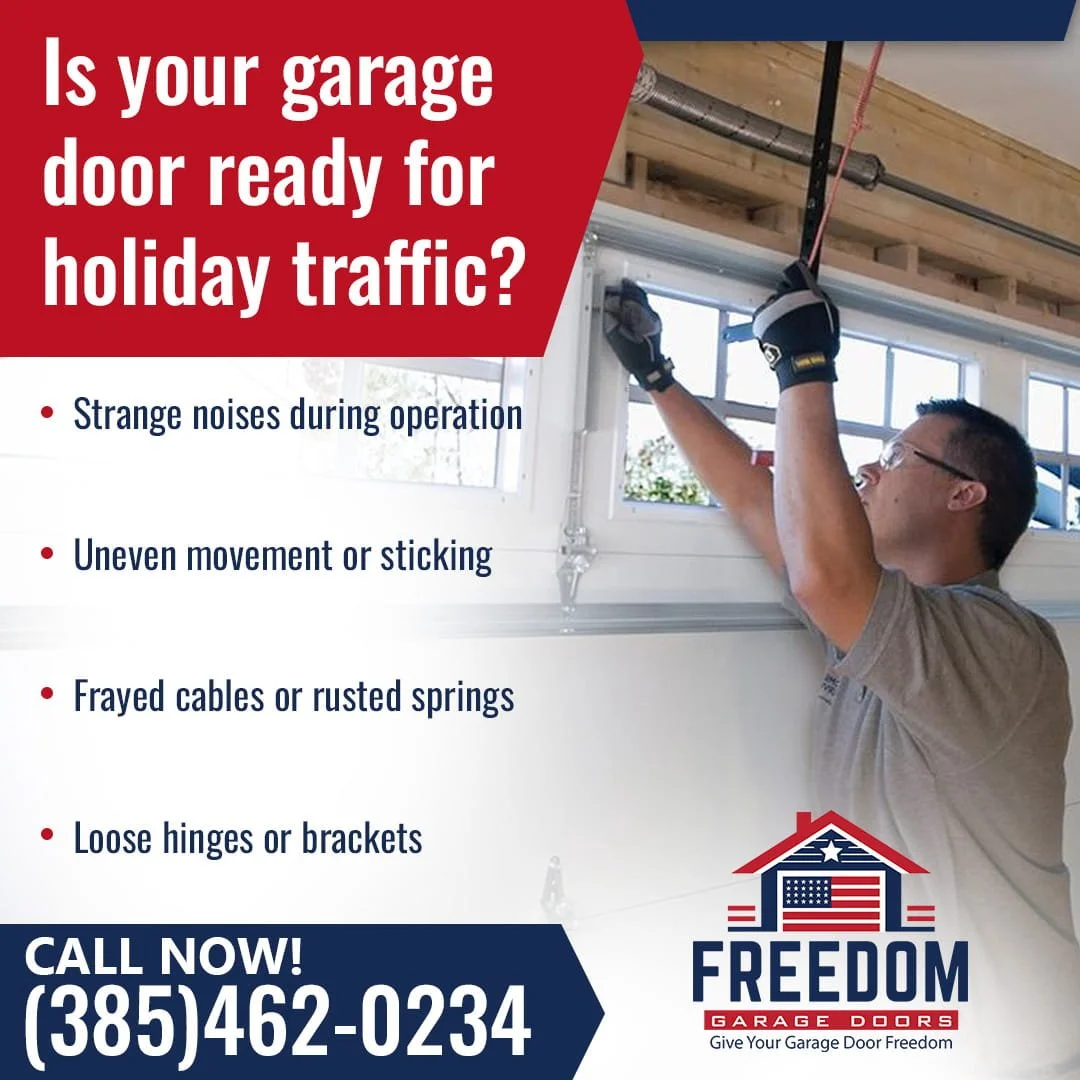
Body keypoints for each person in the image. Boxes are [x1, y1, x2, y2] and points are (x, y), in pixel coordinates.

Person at [603, 263, 1080, 1079]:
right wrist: (658, 377)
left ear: (966, 497)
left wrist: (807, 370)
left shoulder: (1009, 648)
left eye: (896, 457)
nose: (870, 470)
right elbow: (770, 513)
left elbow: (825, 569)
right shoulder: (874, 632)